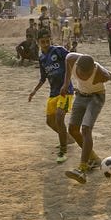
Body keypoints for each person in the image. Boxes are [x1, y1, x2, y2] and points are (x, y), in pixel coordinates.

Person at [60, 52, 111, 184]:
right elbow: (67, 62)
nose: (84, 76)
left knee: (86, 129)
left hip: (96, 97)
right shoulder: (72, 59)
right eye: (82, 73)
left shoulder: (100, 73)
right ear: (77, 66)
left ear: (93, 68)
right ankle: (93, 158)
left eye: (88, 74)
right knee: (72, 129)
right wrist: (66, 84)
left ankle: (81, 169)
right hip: (81, 95)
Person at [28, 28, 74, 163]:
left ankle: (63, 151)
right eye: (43, 42)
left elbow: (71, 61)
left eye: (48, 41)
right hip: (53, 93)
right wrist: (34, 91)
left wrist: (66, 84)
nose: (46, 44)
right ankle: (67, 138)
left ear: (50, 40)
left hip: (65, 91)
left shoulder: (58, 51)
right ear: (39, 43)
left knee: (60, 117)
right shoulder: (42, 58)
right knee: (49, 121)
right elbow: (43, 78)